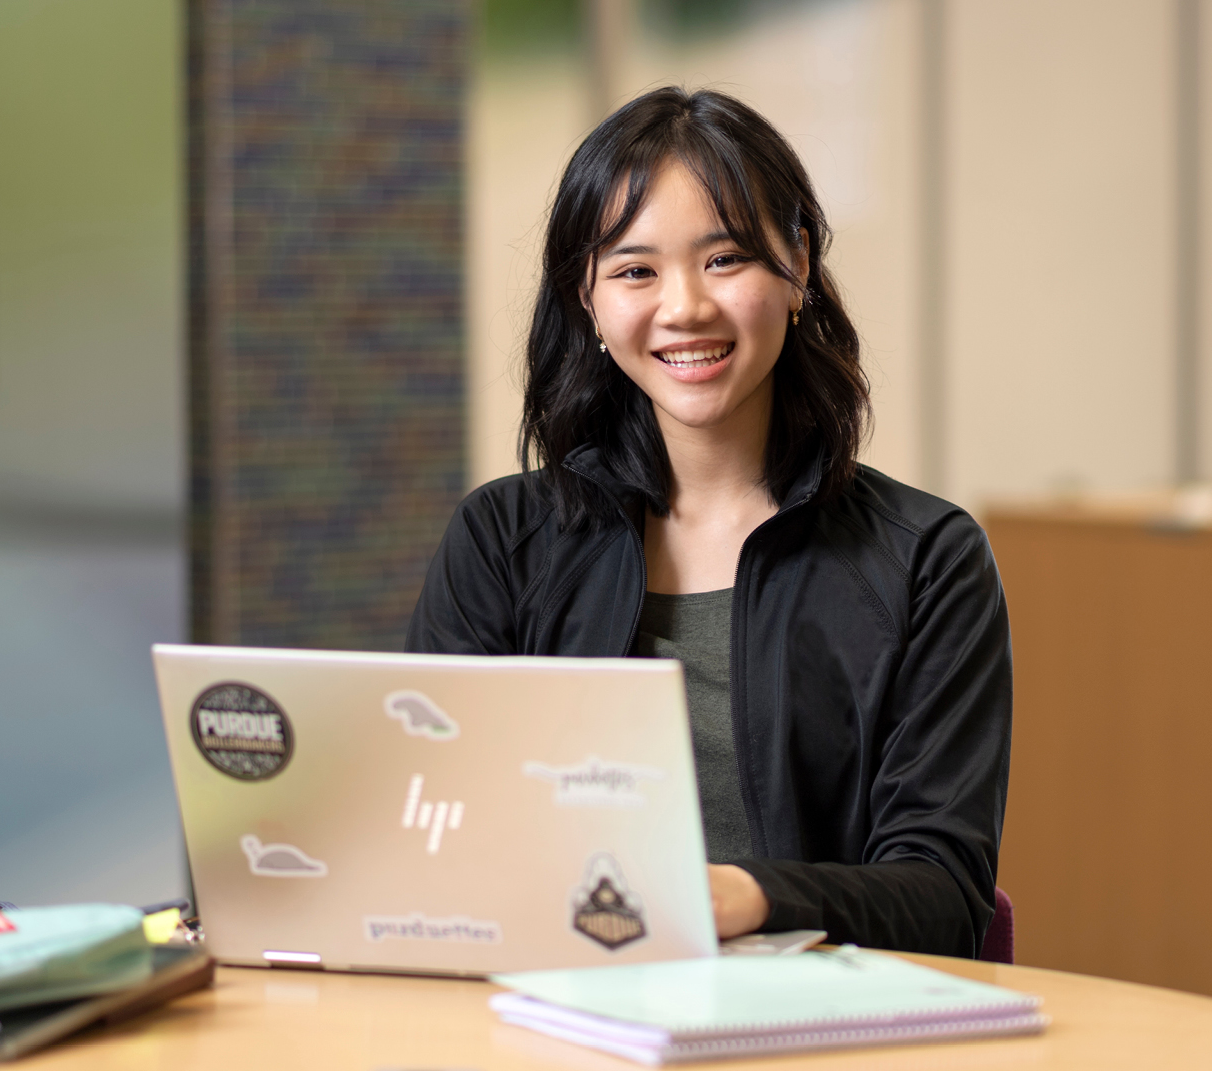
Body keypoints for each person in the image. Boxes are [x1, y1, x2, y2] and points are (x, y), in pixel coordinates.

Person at [407, 86, 1011, 958]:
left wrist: (739, 895)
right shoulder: (502, 540)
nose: (684, 306)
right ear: (589, 296)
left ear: (797, 263)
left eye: (724, 259)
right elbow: (428, 818)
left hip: (814, 1028)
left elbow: (944, 894)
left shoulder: (926, 561)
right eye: (635, 269)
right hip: (550, 1005)